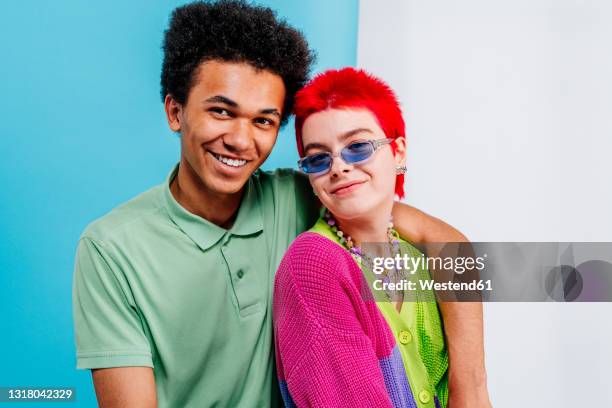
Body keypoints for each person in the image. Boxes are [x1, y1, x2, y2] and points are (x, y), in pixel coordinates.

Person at [72, 1, 489, 407]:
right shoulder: (111, 249)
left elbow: (449, 247)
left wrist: (468, 389)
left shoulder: (302, 192)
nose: (240, 139)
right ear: (175, 111)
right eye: (221, 111)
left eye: (263, 121)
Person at [273, 68, 492, 408]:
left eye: (358, 147)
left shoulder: (422, 258)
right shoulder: (313, 264)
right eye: (318, 158)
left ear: (399, 153)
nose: (339, 167)